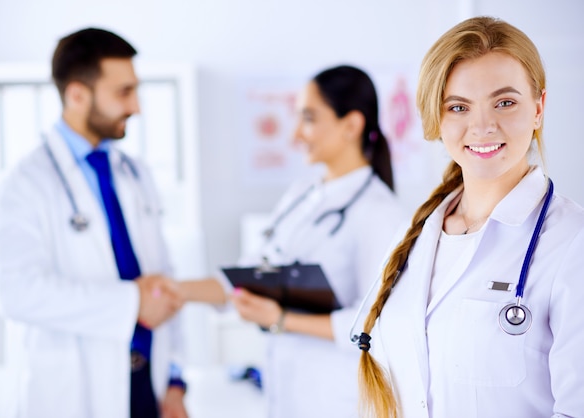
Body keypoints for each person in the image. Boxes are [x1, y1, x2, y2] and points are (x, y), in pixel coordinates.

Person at [357, 16, 584, 418]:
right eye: (459, 107)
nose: (482, 126)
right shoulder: (416, 235)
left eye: (505, 102)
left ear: (538, 109)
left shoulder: (571, 242)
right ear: (437, 118)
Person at [180, 65, 406, 417]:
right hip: (286, 391)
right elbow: (253, 273)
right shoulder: (303, 193)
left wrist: (282, 320)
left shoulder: (379, 213)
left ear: (351, 125)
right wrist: (177, 291)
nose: (296, 134)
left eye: (309, 118)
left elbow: (376, 325)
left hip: (336, 398)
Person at [0, 28, 189, 418]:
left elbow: (163, 279)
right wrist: (131, 302)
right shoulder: (25, 184)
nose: (137, 107)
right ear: (77, 94)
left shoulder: (135, 173)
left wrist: (176, 383)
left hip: (149, 388)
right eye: (123, 92)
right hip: (76, 394)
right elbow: (19, 292)